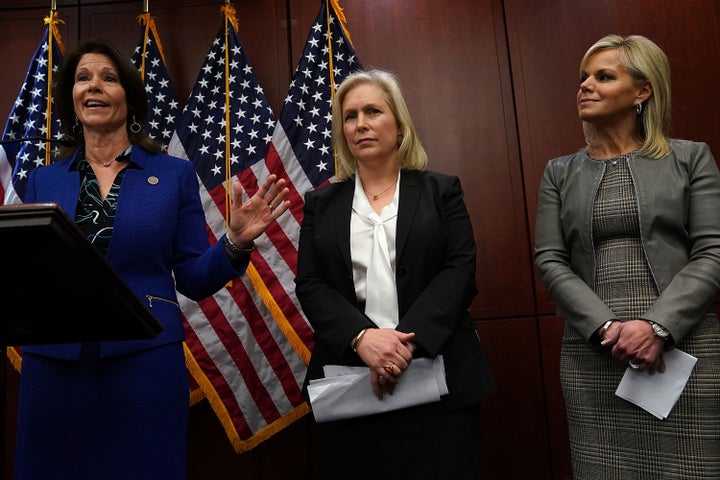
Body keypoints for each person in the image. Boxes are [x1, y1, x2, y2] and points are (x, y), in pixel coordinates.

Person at [14, 38, 290, 479]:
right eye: (83, 78)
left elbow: (194, 278)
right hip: (55, 368)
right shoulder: (43, 181)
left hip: (144, 363)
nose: (94, 87)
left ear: (130, 95)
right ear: (70, 96)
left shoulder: (174, 174)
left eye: (108, 77)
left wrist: (234, 242)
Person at [534, 34, 720, 479]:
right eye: (583, 77)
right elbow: (549, 259)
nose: (585, 85)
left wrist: (657, 327)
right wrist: (608, 328)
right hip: (593, 352)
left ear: (642, 90)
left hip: (684, 346)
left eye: (603, 76)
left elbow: (712, 252)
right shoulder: (559, 172)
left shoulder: (691, 158)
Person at [295, 69, 495, 480]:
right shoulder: (321, 203)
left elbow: (460, 269)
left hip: (439, 377)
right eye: (350, 117)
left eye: (373, 111)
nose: (361, 124)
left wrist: (401, 348)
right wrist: (364, 339)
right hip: (351, 380)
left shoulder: (442, 190)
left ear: (400, 125)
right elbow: (310, 283)